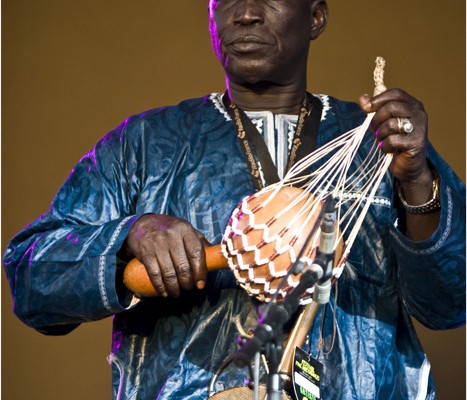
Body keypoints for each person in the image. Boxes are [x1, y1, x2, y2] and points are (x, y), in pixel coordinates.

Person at [4, 0, 465, 399]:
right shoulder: (144, 144)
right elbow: (30, 280)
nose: (245, 13)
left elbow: (452, 302)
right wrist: (129, 234)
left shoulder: (378, 143)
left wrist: (417, 182)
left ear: (316, 16)